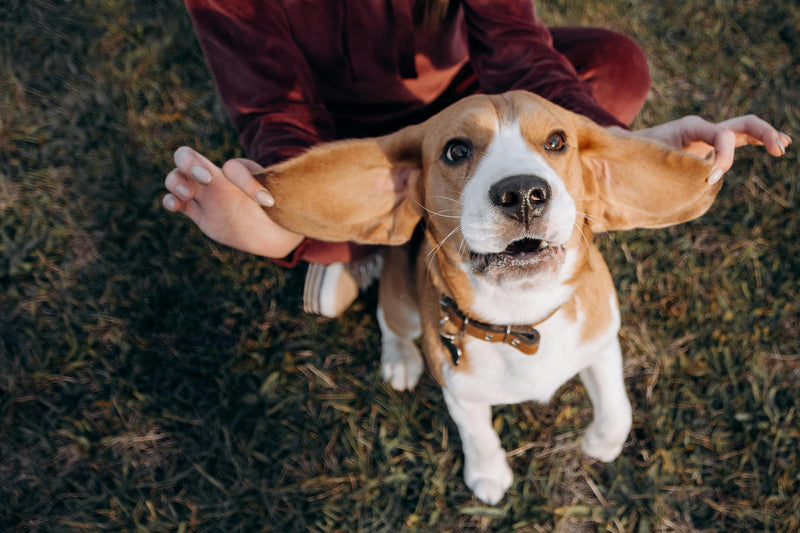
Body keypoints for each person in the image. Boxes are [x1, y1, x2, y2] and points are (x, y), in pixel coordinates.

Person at [163, 0, 791, 317]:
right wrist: (276, 227)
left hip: (475, 103)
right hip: (348, 132)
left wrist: (628, 144)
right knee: (300, 211)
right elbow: (277, 110)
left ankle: (383, 242)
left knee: (618, 64)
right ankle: (367, 251)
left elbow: (518, 50)